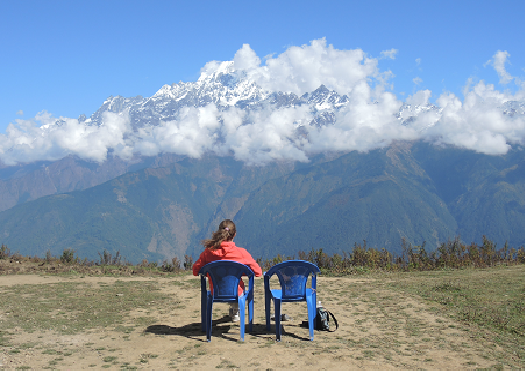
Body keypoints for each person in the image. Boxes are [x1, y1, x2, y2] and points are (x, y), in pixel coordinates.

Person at [192, 219, 263, 321]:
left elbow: (195, 271)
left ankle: (209, 323)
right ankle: (236, 310)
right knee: (236, 287)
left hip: (215, 291)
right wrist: (239, 272)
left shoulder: (208, 252)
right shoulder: (241, 253)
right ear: (234, 234)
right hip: (236, 292)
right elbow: (258, 272)